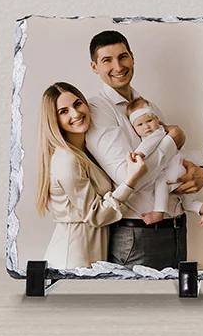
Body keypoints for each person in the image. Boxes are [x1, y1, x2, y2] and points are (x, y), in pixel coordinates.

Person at [85, 30, 203, 270]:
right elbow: (127, 177)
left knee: (178, 307)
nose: (118, 66)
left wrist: (201, 173)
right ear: (94, 67)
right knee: (140, 306)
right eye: (107, 60)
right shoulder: (98, 111)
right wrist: (174, 138)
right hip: (138, 236)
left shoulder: (147, 106)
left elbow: (170, 164)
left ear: (132, 58)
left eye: (123, 57)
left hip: (176, 228)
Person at [36, 82, 148, 269]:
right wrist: (130, 181)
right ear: (53, 120)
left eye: (77, 104)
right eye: (63, 111)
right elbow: (96, 215)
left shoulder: (87, 154)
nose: (75, 113)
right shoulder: (67, 159)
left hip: (91, 254)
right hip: (73, 258)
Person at [126, 97, 203, 227]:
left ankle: (158, 212)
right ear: (133, 127)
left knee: (162, 184)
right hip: (176, 168)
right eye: (140, 124)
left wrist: (139, 153)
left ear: (157, 119)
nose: (146, 126)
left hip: (174, 168)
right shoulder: (149, 133)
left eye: (149, 121)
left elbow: (149, 145)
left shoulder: (158, 132)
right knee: (187, 202)